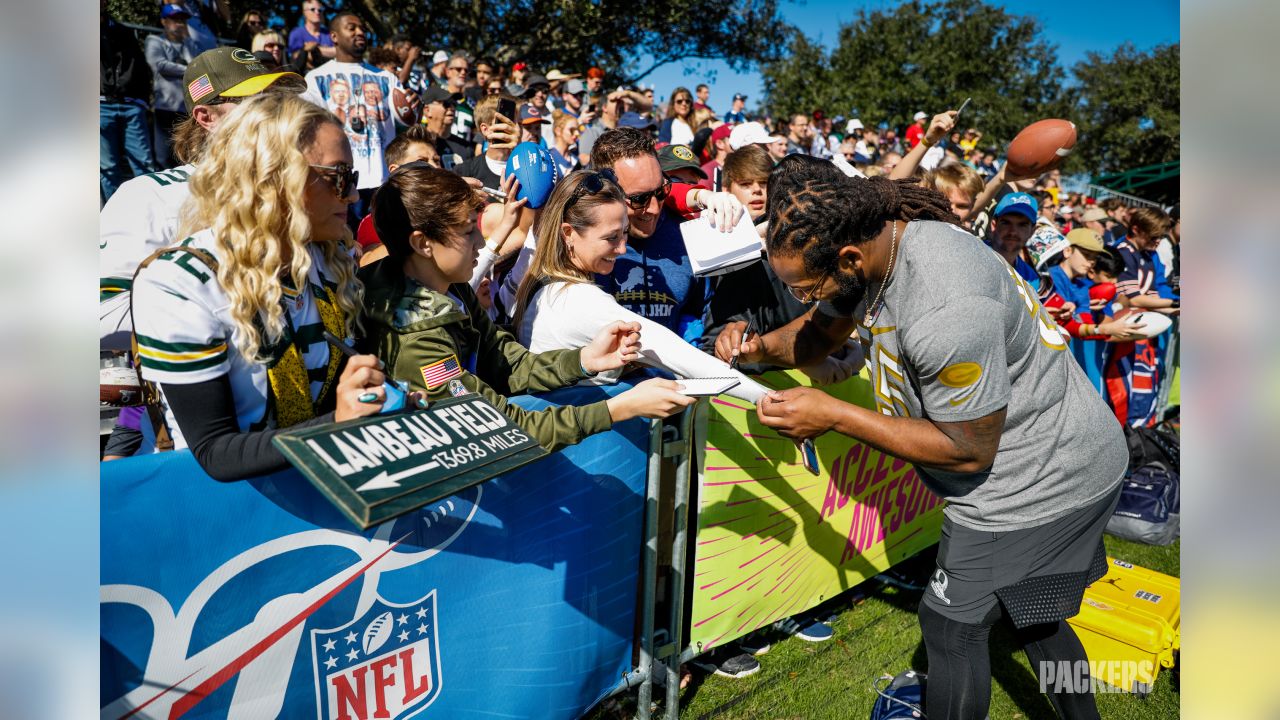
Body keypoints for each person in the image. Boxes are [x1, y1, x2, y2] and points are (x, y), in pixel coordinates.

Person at [718, 172, 1127, 720]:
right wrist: (754, 348)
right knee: (1035, 614)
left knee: (949, 624)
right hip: (1046, 456)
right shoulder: (872, 250)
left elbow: (966, 449)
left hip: (1039, 478)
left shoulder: (944, 307)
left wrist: (836, 414)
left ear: (847, 261)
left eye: (805, 289)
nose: (802, 301)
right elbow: (817, 335)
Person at [131, 93, 390, 479]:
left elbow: (340, 398)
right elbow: (215, 452)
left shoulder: (327, 259)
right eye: (338, 177)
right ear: (274, 178)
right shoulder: (178, 281)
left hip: (322, 491)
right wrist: (338, 423)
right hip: (234, 522)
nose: (352, 195)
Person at [358, 164, 694, 449]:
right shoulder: (415, 338)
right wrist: (616, 410)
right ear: (422, 244)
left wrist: (583, 360)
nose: (481, 241)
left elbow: (507, 362)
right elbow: (500, 427)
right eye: (466, 231)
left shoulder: (452, 286)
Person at [100, 47, 305, 349]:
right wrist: (214, 302)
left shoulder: (302, 189)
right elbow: (104, 316)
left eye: (277, 101)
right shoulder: (149, 196)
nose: (274, 114)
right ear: (206, 117)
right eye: (255, 103)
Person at [510, 169, 767, 405]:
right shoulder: (579, 300)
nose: (622, 249)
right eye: (611, 237)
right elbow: (677, 355)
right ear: (568, 233)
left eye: (624, 234)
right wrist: (764, 397)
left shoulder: (540, 282)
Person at [302, 11, 410, 219]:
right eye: (351, 28)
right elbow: (310, 131)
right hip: (342, 181)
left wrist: (414, 111)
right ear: (334, 36)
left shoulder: (387, 78)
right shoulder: (316, 78)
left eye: (362, 28)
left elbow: (405, 119)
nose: (360, 32)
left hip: (384, 180)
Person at [1106, 207, 1179, 427]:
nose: (1158, 241)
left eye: (1160, 236)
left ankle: (1140, 435)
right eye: (1153, 236)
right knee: (1121, 389)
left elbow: (1157, 293)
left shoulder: (1151, 254)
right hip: (1122, 329)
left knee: (1144, 386)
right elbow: (1134, 298)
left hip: (1145, 332)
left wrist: (1175, 306)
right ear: (1136, 229)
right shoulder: (1120, 251)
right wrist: (1176, 303)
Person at [100, 6, 157, 201]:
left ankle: (150, 213)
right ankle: (115, 220)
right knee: (108, 168)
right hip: (99, 107)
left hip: (131, 105)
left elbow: (140, 67)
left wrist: (143, 100)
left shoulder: (122, 31)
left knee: (144, 165)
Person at [145, 5, 199, 169]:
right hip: (165, 108)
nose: (180, 23)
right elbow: (159, 65)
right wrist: (189, 70)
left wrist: (188, 40)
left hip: (188, 111)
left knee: (187, 157)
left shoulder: (190, 44)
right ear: (164, 21)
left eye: (182, 20)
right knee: (163, 158)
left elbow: (199, 66)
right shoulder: (154, 40)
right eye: (175, 19)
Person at [452, 95, 519, 188]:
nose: (514, 127)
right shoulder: (465, 171)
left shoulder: (529, 165)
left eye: (516, 122)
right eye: (505, 122)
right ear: (486, 129)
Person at [990, 192, 1043, 287]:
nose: (1013, 232)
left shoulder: (1030, 279)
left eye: (1022, 225)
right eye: (1006, 223)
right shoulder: (971, 257)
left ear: (1032, 231)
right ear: (994, 225)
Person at [548, 110, 580, 177]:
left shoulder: (575, 160)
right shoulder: (548, 157)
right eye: (572, 130)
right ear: (558, 131)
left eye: (577, 130)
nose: (577, 133)